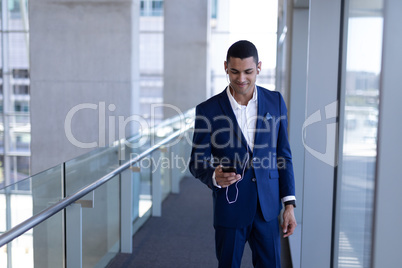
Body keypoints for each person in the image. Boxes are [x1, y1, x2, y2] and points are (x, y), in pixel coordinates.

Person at [189, 40, 296, 268]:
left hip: (266, 209)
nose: (241, 79)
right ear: (226, 67)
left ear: (258, 67)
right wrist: (213, 177)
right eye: (235, 71)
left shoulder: (275, 102)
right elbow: (197, 161)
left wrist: (289, 205)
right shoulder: (207, 110)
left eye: (248, 71)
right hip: (230, 207)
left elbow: (283, 156)